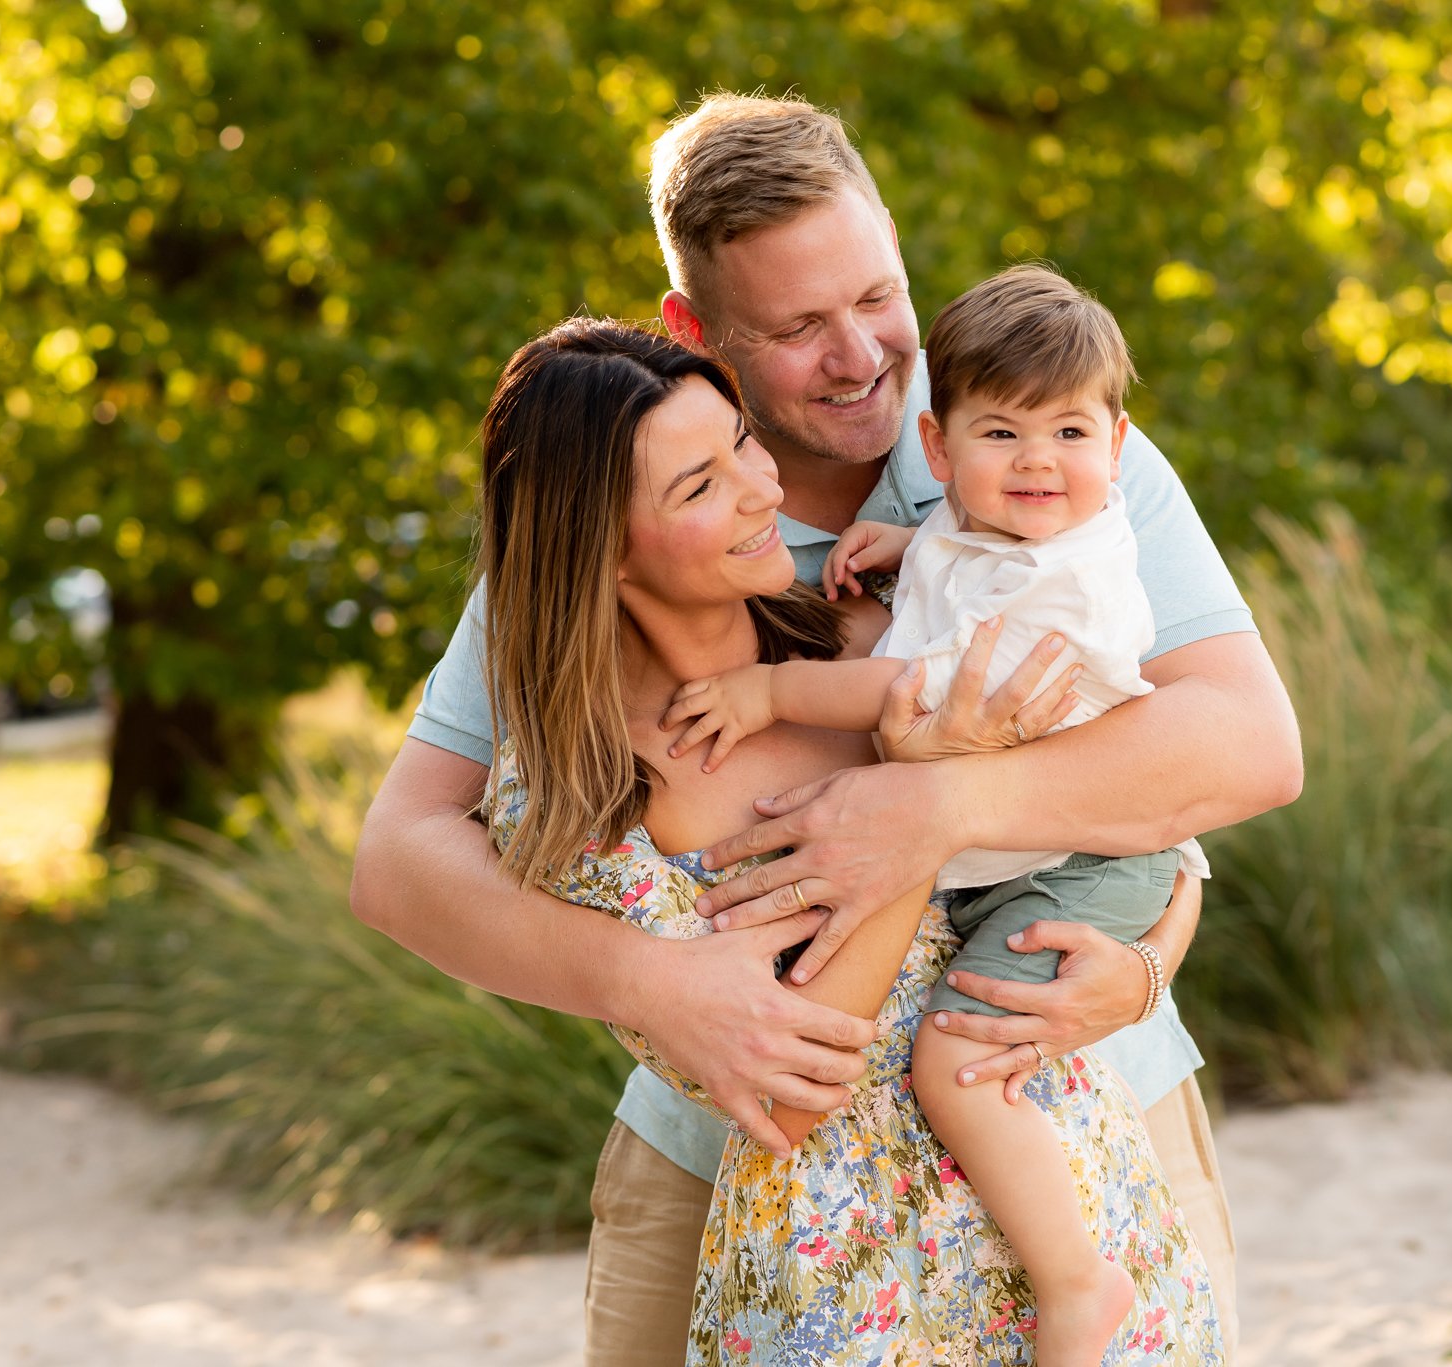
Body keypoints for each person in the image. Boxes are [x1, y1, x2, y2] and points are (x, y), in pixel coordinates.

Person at [350, 92, 1301, 1363]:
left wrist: (945, 813)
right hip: (729, 1171)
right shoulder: (608, 521)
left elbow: (1243, 743)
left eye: (876, 295)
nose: (859, 355)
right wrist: (656, 986)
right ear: (695, 329)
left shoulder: (1047, 447)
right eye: (796, 328)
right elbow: (401, 852)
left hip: (1072, 1100)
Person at [472, 314, 1226, 1362]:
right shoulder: (580, 796)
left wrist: (1143, 969)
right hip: (849, 1282)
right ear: (596, 548)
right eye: (698, 486)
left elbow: (1132, 831)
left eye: (741, 442)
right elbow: (793, 1078)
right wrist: (922, 792)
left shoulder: (881, 637)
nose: (762, 487)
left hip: (1076, 1219)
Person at [666, 263, 1208, 1362]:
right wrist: (913, 548)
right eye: (1000, 435)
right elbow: (978, 566)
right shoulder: (996, 540)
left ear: (1115, 447)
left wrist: (766, 690)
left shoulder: (1080, 581)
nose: (1036, 463)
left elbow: (906, 696)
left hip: (1076, 871)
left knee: (953, 1061)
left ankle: (1073, 1282)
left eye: (1066, 434)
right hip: (1032, 853)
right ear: (936, 449)